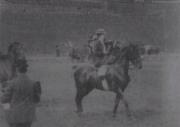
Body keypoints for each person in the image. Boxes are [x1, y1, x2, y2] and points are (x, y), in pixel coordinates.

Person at [1, 59, 41, 127]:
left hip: (15, 117)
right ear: (26, 70)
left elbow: (4, 100)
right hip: (28, 116)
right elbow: (37, 100)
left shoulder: (12, 83)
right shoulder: (33, 83)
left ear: (16, 69)